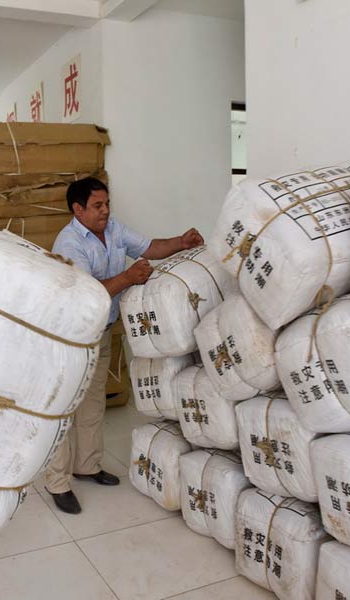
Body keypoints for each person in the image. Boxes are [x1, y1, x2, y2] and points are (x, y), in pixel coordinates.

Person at [45, 177, 204, 514]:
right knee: (64, 409)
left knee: (92, 403)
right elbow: (87, 295)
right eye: (97, 206)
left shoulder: (113, 228)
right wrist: (128, 278)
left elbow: (149, 247)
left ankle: (87, 466)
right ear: (78, 209)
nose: (105, 211)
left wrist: (181, 242)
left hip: (100, 332)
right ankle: (57, 483)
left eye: (106, 204)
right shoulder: (69, 243)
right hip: (70, 336)